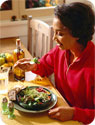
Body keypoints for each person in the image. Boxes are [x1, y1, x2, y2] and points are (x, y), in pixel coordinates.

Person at [13, 2, 95, 124]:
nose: (54, 38)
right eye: (54, 32)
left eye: (60, 34)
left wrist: (74, 113)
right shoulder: (61, 50)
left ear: (78, 33)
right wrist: (33, 66)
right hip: (59, 111)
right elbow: (45, 65)